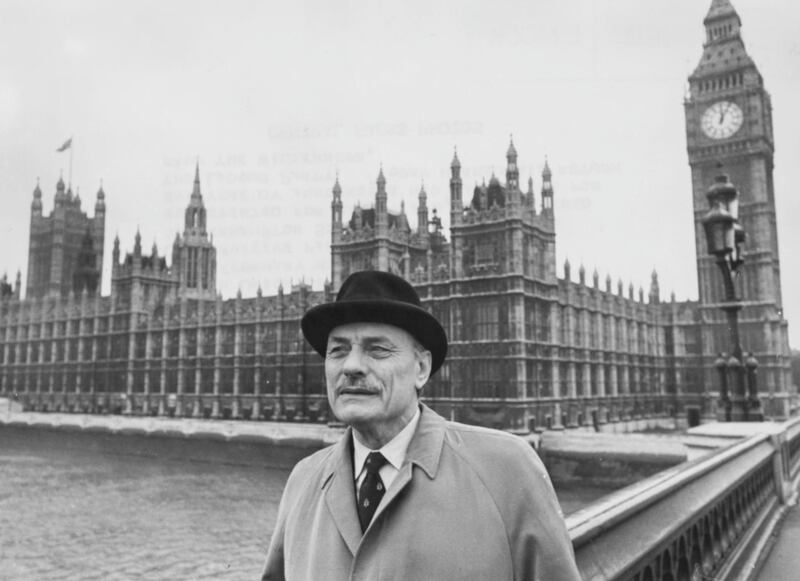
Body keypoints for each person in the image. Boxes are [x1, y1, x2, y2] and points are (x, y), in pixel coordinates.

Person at [262, 271, 581, 580]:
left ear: (422, 368)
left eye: (378, 350)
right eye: (338, 351)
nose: (352, 366)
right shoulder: (303, 480)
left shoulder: (507, 469)